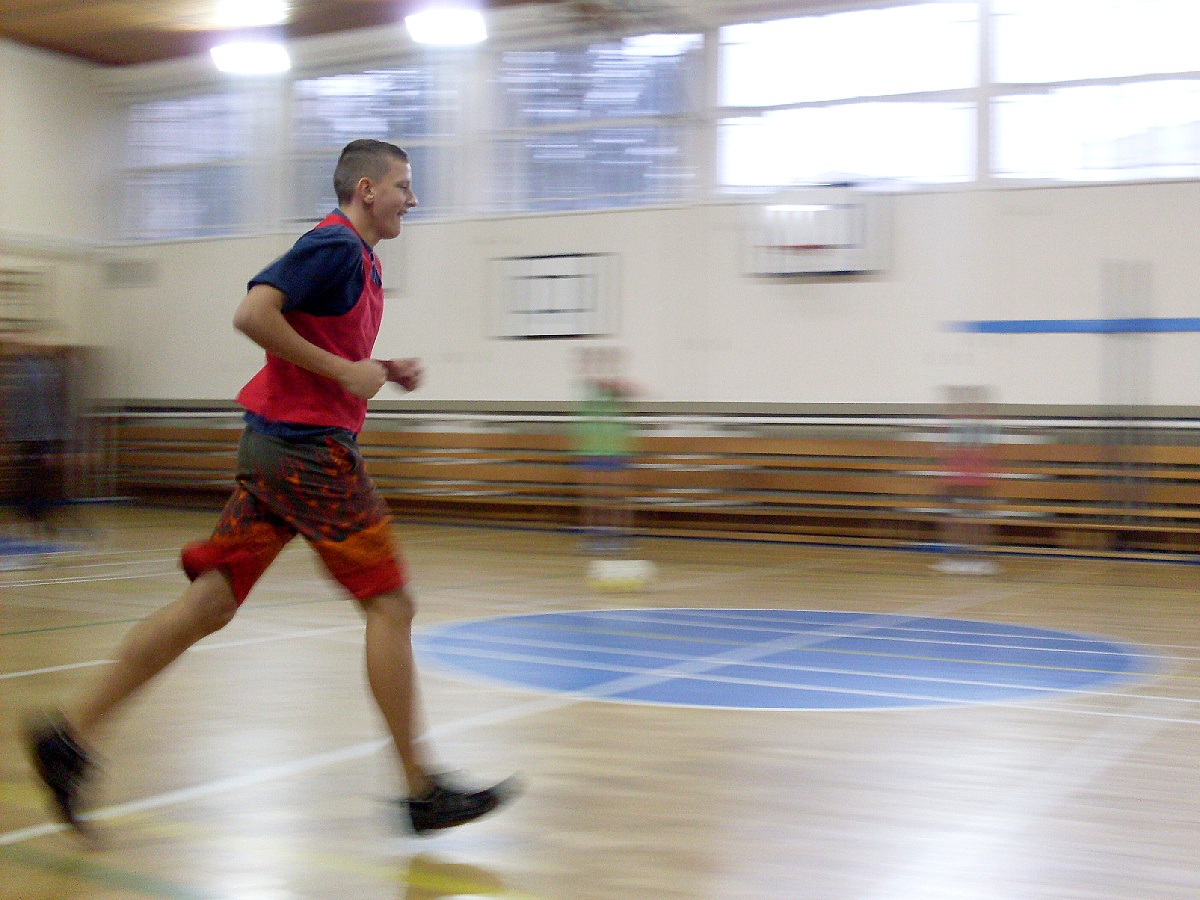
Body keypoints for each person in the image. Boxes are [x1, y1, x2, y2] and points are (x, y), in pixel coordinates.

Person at [23, 139, 516, 837]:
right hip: (308, 456)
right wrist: (345, 374)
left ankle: (70, 737)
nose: (413, 198)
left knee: (208, 604)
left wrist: (376, 367)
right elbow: (254, 315)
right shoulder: (336, 245)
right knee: (390, 605)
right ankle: (421, 790)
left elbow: (315, 346)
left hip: (276, 450)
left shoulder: (358, 258)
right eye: (404, 185)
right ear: (367, 189)